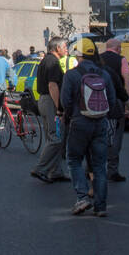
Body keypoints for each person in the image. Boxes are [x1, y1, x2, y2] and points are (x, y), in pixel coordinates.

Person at [60, 39, 117, 216]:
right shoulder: (105, 74)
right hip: (100, 122)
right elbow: (112, 101)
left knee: (74, 159)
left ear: (78, 55)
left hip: (79, 122)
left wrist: (69, 116)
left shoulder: (72, 74)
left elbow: (65, 102)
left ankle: (82, 197)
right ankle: (101, 206)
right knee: (99, 165)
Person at [31, 37, 71, 183]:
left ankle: (56, 171)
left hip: (45, 100)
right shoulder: (53, 62)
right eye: (65, 46)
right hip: (50, 101)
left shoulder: (46, 60)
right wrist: (59, 107)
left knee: (52, 137)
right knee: (56, 137)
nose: (67, 49)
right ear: (57, 48)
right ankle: (41, 169)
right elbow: (52, 85)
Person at [100, 38, 129, 182]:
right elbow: (127, 80)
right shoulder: (121, 60)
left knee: (99, 134)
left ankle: (93, 169)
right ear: (118, 48)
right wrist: (128, 103)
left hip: (98, 101)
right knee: (116, 136)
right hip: (116, 102)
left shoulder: (99, 59)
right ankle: (112, 170)